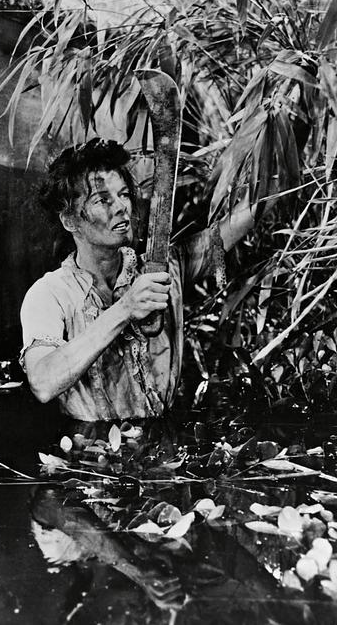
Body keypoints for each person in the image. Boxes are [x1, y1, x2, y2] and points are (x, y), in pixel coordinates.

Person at [20, 138, 255, 424]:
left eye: (124, 195)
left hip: (163, 445)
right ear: (70, 221)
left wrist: (281, 131)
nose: (121, 207)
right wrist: (124, 309)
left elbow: (241, 221)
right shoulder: (49, 294)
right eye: (102, 200)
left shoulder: (162, 268)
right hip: (92, 456)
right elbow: (43, 383)